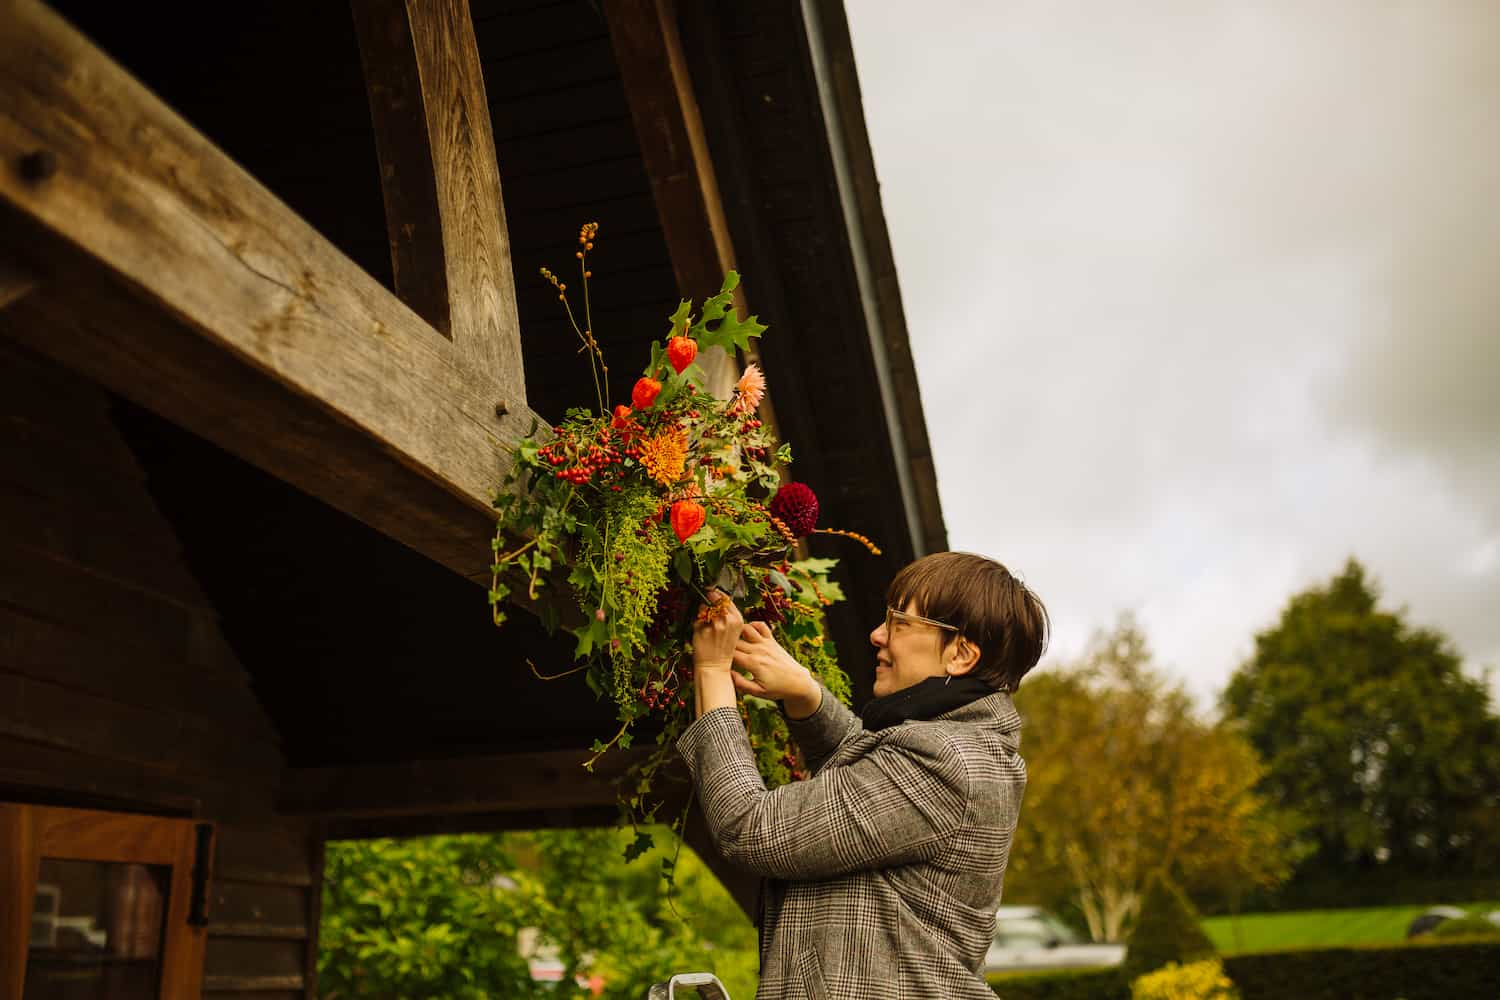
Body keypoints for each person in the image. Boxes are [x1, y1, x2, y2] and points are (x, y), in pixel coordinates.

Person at [680, 550, 1048, 999]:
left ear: (961, 654)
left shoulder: (945, 762)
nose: (877, 635)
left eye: (900, 624)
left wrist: (713, 671)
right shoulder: (964, 745)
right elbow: (868, 776)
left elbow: (751, 828)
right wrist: (807, 697)